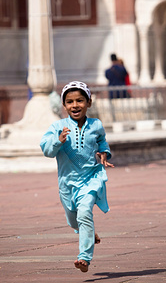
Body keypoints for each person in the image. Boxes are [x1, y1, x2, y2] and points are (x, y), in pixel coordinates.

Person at [40, 81, 114, 273]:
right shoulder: (57, 126)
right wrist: (58, 141)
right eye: (70, 101)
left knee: (84, 214)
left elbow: (101, 141)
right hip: (66, 184)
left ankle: (84, 258)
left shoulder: (96, 124)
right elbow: (46, 150)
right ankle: (89, 232)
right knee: (74, 221)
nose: (75, 105)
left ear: (89, 102)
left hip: (90, 179)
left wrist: (104, 153)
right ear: (64, 105)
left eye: (80, 100)